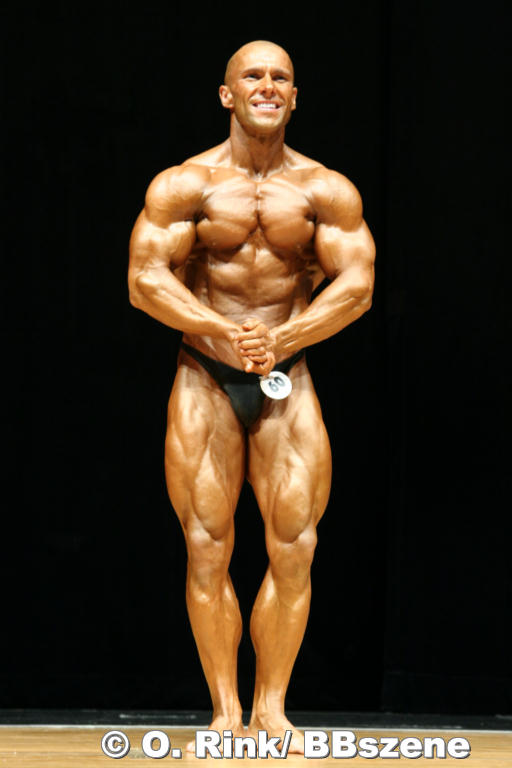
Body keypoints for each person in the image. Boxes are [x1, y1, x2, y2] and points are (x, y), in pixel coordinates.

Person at [128, 40, 375, 753]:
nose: (267, 86)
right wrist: (220, 330)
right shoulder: (185, 184)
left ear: (294, 97)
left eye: (280, 78)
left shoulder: (327, 191)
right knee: (207, 548)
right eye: (253, 76)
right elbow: (145, 279)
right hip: (205, 375)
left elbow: (357, 286)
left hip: (286, 377)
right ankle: (225, 712)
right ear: (227, 94)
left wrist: (286, 335)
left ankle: (270, 711)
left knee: (295, 547)